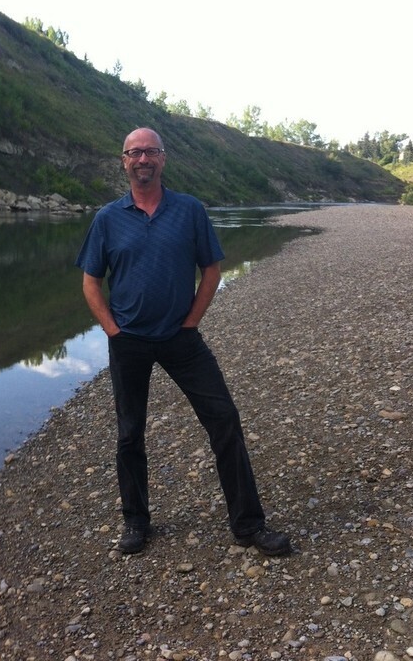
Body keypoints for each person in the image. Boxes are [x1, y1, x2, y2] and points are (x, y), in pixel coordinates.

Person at [75, 127, 290, 556]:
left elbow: (212, 270)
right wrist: (112, 330)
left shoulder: (189, 210)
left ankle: (248, 525)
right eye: (134, 153)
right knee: (129, 434)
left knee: (224, 419)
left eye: (150, 151)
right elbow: (90, 282)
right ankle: (136, 523)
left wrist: (191, 321)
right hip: (129, 341)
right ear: (124, 161)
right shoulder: (107, 218)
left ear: (163, 159)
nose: (142, 160)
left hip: (181, 338)